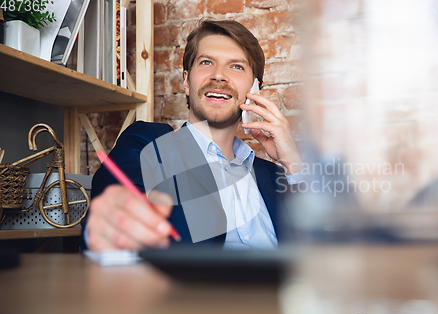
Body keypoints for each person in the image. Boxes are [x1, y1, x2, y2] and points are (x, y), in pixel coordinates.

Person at [82, 20, 303, 251]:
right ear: (186, 82)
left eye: (236, 66)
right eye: (206, 62)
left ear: (255, 89)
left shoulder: (276, 177)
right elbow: (117, 214)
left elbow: (329, 246)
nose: (219, 75)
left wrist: (293, 162)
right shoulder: (149, 145)